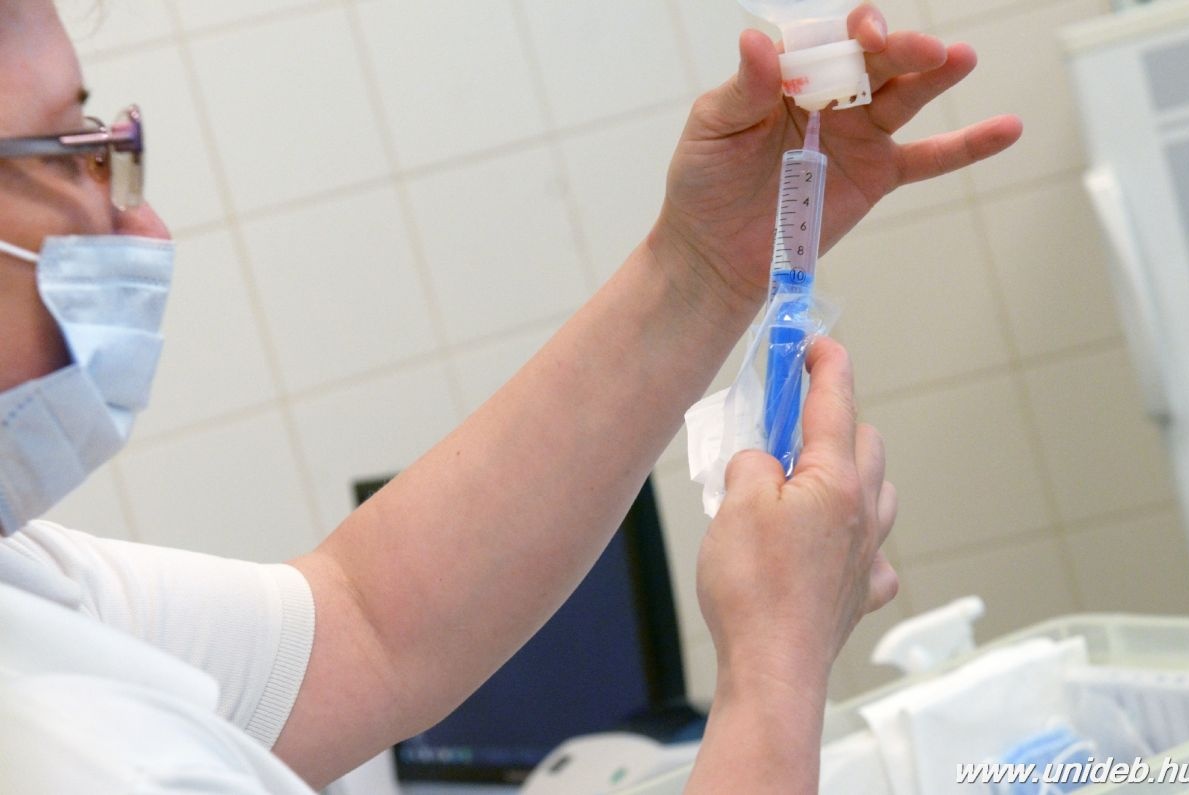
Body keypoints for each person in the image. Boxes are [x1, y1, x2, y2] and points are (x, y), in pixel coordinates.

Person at [0, 0, 1021, 792]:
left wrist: (703, 269)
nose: (143, 230)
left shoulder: (29, 603)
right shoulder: (75, 759)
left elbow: (366, 624)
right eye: (75, 153)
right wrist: (776, 669)